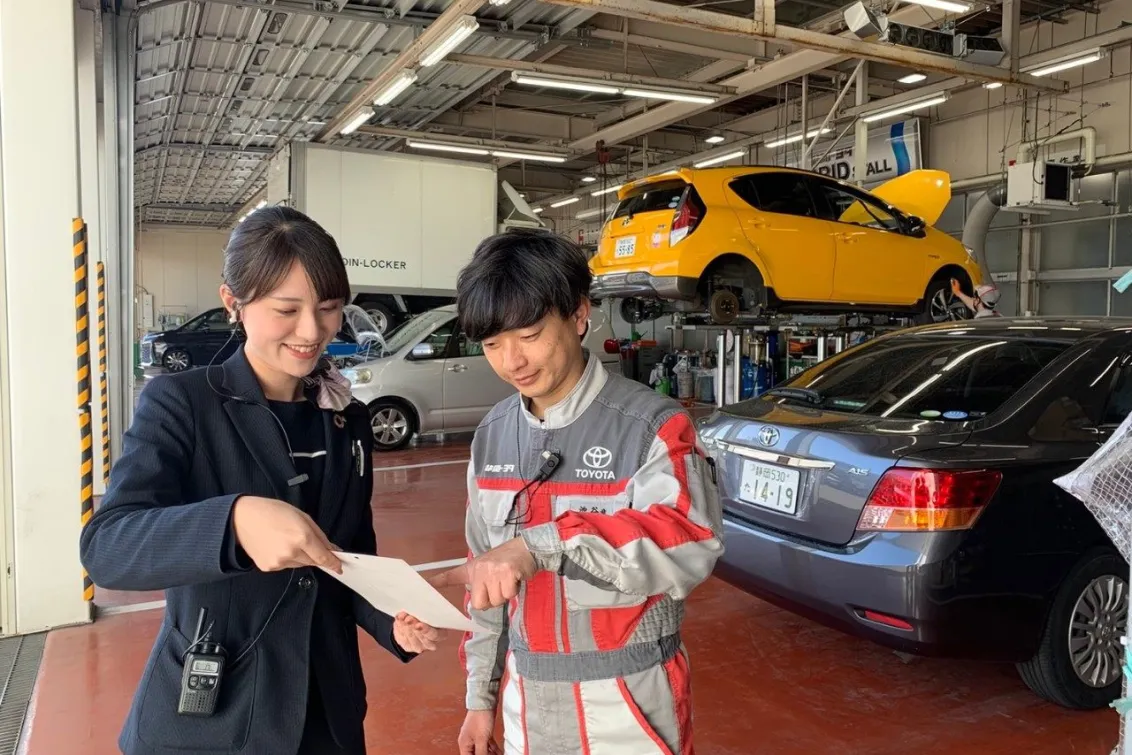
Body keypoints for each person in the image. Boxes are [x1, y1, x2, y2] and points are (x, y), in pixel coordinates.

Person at [79, 206, 440, 755]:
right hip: (216, 712)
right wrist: (234, 521)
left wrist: (391, 619)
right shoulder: (183, 404)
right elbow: (108, 547)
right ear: (234, 303)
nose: (311, 331)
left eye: (328, 309)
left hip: (326, 709)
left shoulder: (347, 419)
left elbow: (348, 556)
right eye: (286, 310)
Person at [430, 229, 725, 755]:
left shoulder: (653, 426)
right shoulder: (492, 436)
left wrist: (547, 545)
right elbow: (486, 581)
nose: (512, 361)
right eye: (493, 344)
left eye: (529, 334)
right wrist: (480, 701)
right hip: (526, 705)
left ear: (578, 314)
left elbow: (691, 539)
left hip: (628, 705)